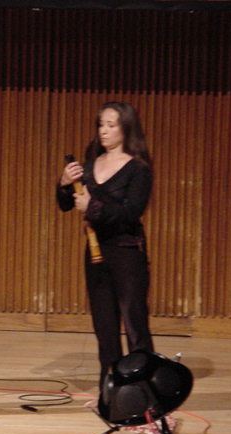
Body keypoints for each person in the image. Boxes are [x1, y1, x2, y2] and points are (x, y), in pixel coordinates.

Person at [56, 101, 154, 390]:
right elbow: (65, 204)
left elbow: (131, 213)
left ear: (126, 129)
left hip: (127, 253)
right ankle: (110, 393)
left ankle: (142, 392)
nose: (104, 131)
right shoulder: (91, 164)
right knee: (105, 327)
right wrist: (64, 183)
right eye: (101, 124)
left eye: (111, 125)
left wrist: (93, 207)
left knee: (134, 325)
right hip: (96, 254)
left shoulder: (138, 169)